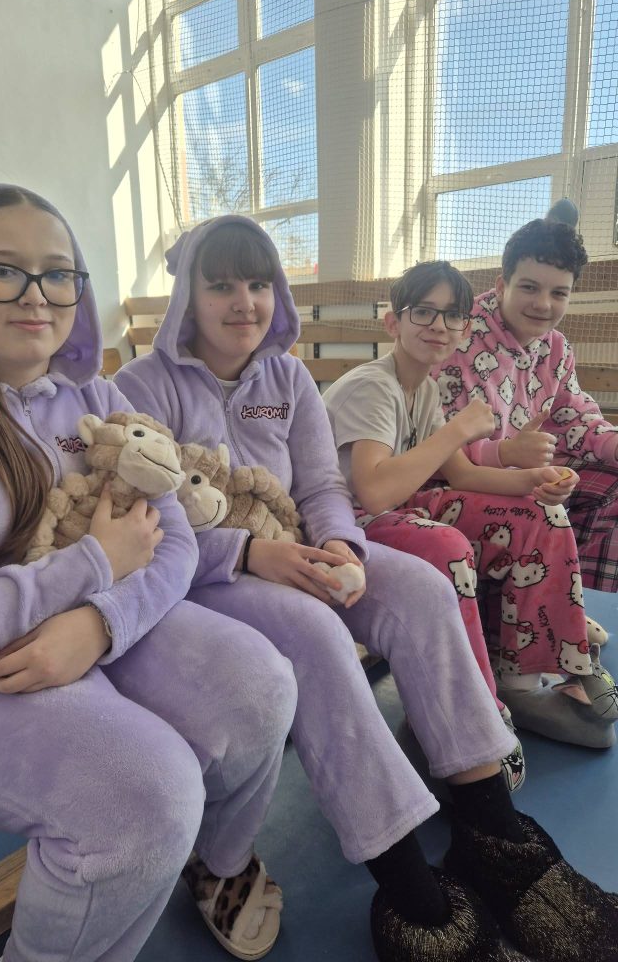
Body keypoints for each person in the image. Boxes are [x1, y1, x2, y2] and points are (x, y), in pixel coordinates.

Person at [114, 215, 618, 962]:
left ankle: (490, 826)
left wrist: (340, 547)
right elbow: (149, 527)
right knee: (317, 632)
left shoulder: (288, 378)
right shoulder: (138, 387)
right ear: (187, 293)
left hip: (301, 545)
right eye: (220, 286)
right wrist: (251, 552)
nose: (244, 302)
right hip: (205, 574)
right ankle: (402, 870)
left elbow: (323, 486)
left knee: (421, 588)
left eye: (258, 283)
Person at [0, 186, 299, 962]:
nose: (36, 294)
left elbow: (172, 542)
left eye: (58, 274)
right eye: (3, 270)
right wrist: (91, 567)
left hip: (85, 627)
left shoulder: (95, 396)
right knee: (147, 795)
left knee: (262, 684)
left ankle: (217, 863)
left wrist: (100, 623)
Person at [322, 260, 617, 751]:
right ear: (393, 322)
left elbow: (462, 475)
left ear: (464, 329)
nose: (438, 326)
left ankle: (527, 674)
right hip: (346, 523)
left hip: (397, 508)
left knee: (539, 515)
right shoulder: (373, 385)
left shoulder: (425, 388)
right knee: (447, 546)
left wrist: (536, 481)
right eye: (423, 312)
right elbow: (372, 492)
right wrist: (459, 428)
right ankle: (470, 706)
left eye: (452, 316)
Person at [436, 217, 618, 595]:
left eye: (559, 293)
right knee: (542, 512)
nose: (543, 304)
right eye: (529, 287)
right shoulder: (459, 339)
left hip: (522, 474)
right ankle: (550, 603)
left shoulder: (557, 348)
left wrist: (613, 444)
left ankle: (580, 599)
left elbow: (574, 416)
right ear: (502, 285)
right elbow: (441, 450)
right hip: (458, 485)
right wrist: (509, 455)